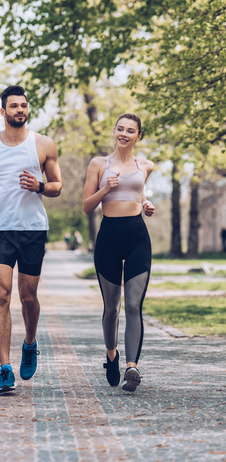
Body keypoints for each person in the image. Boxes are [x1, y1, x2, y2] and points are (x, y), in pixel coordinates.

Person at [0, 85, 62, 395]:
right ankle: (4, 368)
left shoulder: (43, 144)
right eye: (13, 106)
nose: (19, 110)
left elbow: (57, 185)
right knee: (1, 295)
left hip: (32, 230)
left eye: (23, 105)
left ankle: (30, 343)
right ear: (3, 111)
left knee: (28, 297)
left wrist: (39, 185)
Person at [83, 113, 155, 392]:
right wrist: (105, 189)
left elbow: (139, 194)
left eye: (130, 130)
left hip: (138, 236)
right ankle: (111, 355)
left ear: (138, 136)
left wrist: (146, 204)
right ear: (114, 132)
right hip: (109, 238)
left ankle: (132, 367)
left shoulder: (145, 165)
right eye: (120, 129)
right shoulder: (98, 164)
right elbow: (87, 206)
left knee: (134, 305)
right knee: (112, 308)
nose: (124, 134)